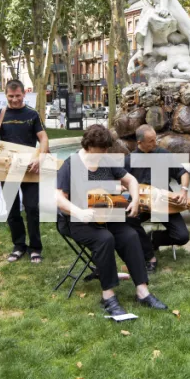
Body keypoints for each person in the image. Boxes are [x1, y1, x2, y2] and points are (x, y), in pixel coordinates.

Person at [56, 125, 167, 318]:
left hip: (106, 216)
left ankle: (142, 291)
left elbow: (131, 180)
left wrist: (134, 200)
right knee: (104, 239)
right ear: (89, 146)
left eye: (107, 149)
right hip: (79, 221)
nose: (105, 153)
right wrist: (79, 212)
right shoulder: (71, 164)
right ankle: (108, 296)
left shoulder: (106, 160)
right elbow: (58, 198)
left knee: (131, 235)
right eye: (102, 149)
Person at [0, 80, 50, 264]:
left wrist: (40, 157)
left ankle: (35, 248)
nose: (14, 99)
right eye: (11, 96)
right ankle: (19, 245)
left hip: (30, 168)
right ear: (6, 95)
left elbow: (43, 138)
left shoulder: (32, 114)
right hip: (8, 169)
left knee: (32, 208)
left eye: (17, 96)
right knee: (12, 210)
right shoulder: (0, 114)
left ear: (23, 94)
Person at [125, 125, 190, 272]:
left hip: (163, 202)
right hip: (140, 203)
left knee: (182, 236)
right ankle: (149, 256)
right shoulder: (129, 160)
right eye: (151, 141)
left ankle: (154, 238)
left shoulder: (163, 154)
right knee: (128, 220)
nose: (155, 144)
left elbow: (183, 173)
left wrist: (184, 191)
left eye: (155, 139)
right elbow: (119, 181)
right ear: (139, 143)